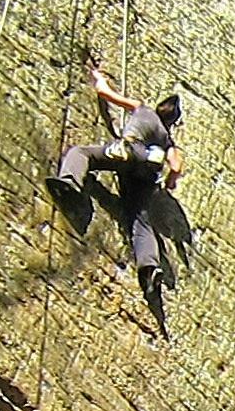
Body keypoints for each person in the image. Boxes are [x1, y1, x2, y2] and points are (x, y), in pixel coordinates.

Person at [49, 58, 185, 322]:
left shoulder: (142, 109)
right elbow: (177, 167)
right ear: (172, 121)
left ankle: (70, 183)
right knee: (141, 222)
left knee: (82, 153)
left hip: (129, 151)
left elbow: (106, 93)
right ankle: (149, 268)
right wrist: (169, 183)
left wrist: (98, 77)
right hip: (147, 172)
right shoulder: (168, 141)